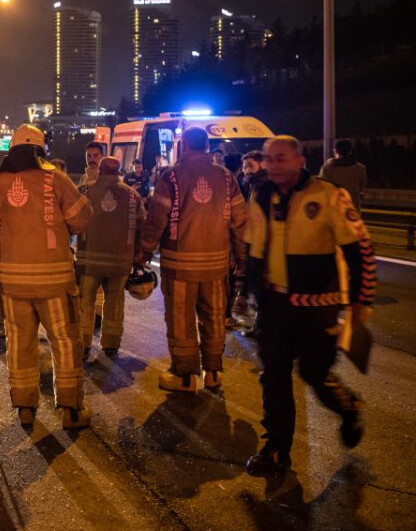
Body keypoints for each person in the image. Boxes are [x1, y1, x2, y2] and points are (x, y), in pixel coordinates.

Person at [243, 136, 376, 475]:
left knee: (314, 374)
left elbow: (358, 250)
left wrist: (361, 300)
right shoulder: (261, 194)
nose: (274, 165)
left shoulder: (329, 195)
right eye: (270, 159)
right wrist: (246, 291)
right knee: (273, 376)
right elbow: (254, 248)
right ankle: (276, 447)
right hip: (273, 305)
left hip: (317, 307)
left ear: (300, 160)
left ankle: (348, 408)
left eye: (281, 158)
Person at [0, 124, 93, 429]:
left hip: (12, 282)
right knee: (65, 341)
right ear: (40, 150)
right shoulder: (55, 178)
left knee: (19, 342)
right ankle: (70, 409)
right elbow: (81, 218)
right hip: (53, 281)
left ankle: (25, 407)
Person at [139, 127, 247, 393]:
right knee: (214, 318)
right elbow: (240, 223)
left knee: (181, 320)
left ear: (184, 145)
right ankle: (214, 372)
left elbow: (155, 222)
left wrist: (142, 254)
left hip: (180, 265)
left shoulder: (171, 177)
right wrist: (243, 260)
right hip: (216, 266)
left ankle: (185, 376)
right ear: (207, 146)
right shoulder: (226, 177)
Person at [77, 157, 145, 359]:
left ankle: (83, 343)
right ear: (119, 172)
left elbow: (70, 219)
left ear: (100, 171)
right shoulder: (133, 195)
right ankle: (111, 344)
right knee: (115, 301)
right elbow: (143, 224)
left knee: (85, 301)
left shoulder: (84, 191)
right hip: (120, 261)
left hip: (89, 260)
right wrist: (141, 255)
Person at [319, 139, 369, 210]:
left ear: (335, 151)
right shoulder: (360, 168)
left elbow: (322, 184)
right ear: (350, 151)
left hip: (333, 205)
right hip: (352, 205)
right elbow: (363, 185)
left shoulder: (328, 166)